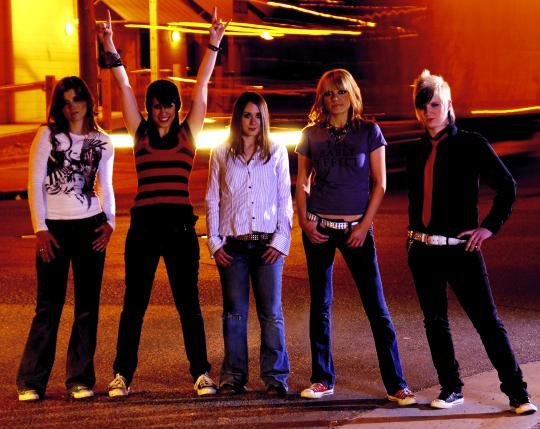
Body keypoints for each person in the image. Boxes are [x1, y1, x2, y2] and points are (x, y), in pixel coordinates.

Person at [96, 8, 227, 397]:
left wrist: (213, 43)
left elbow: (202, 86)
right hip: (144, 228)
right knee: (134, 305)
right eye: (156, 104)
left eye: (168, 104)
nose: (163, 110)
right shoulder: (139, 134)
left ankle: (201, 373)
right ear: (149, 108)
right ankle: (122, 374)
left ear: (176, 107)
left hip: (180, 228)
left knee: (189, 304)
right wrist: (109, 44)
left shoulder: (188, 135)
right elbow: (123, 86)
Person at [406, 69, 537, 414]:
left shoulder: (471, 144)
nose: (429, 111)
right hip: (422, 251)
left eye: (435, 104)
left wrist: (488, 228)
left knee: (487, 322)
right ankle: (451, 388)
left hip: (461, 250)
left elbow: (507, 187)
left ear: (449, 105)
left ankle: (518, 394)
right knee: (435, 322)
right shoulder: (416, 150)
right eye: (423, 106)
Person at [295, 69, 416, 405]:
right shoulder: (310, 134)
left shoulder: (369, 132)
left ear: (352, 95)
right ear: (321, 99)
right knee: (320, 305)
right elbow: (303, 181)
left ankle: (397, 383)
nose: (335, 99)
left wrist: (363, 226)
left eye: (341, 92)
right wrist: (303, 221)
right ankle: (322, 379)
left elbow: (380, 184)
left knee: (376, 306)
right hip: (319, 228)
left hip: (356, 230)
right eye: (328, 94)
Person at [16, 76, 115, 401]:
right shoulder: (47, 136)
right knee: (48, 305)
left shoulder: (103, 142)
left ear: (88, 102)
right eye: (66, 101)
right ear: (59, 106)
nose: (73, 107)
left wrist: (110, 222)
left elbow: (105, 185)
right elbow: (34, 184)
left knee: (87, 307)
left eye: (78, 100)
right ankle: (31, 381)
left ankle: (80, 379)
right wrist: (40, 229)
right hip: (54, 230)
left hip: (91, 226)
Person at [205, 92, 293, 396]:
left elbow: (284, 199)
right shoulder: (221, 153)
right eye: (247, 115)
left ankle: (276, 377)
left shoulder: (276, 152)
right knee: (234, 313)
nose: (253, 121)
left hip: (268, 246)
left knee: (271, 313)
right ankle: (233, 376)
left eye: (258, 116)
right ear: (238, 118)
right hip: (234, 247)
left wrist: (281, 241)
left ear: (264, 119)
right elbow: (212, 199)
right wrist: (215, 243)